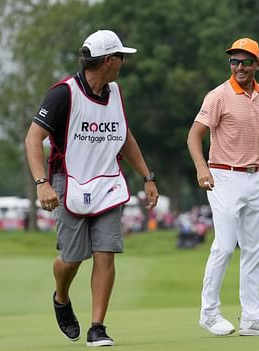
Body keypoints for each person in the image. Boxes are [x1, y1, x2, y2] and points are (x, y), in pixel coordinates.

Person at [24, 29, 158, 347]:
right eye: (121, 57)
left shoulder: (115, 93)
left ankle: (97, 327)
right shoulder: (63, 94)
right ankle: (61, 297)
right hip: (67, 182)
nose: (123, 63)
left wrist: (147, 176)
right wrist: (42, 183)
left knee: (106, 254)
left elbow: (123, 136)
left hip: (108, 183)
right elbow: (32, 138)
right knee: (72, 258)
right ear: (109, 60)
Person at [187, 37, 259, 337]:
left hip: (254, 177)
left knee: (255, 249)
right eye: (234, 61)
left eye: (246, 61)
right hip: (222, 176)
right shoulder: (218, 96)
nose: (239, 67)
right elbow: (194, 136)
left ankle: (251, 319)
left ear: (257, 64)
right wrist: (201, 167)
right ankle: (209, 313)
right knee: (224, 245)